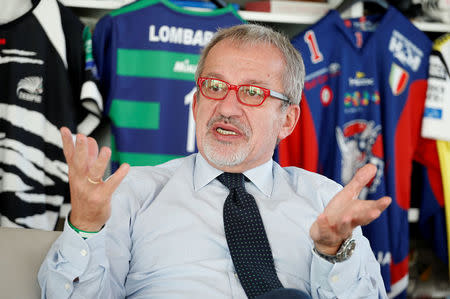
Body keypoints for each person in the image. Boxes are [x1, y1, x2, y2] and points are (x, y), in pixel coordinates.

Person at [38, 24, 391, 298]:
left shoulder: (325, 201)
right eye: (214, 87)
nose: (226, 107)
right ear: (196, 104)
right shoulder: (131, 193)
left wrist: (333, 252)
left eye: (252, 93)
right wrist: (84, 227)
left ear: (288, 120)